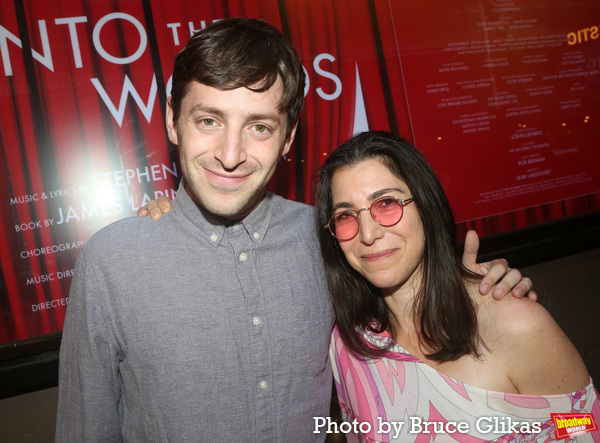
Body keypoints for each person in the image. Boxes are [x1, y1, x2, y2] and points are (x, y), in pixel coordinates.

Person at [56, 18, 533, 442]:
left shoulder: (332, 238)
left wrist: (477, 294)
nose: (230, 153)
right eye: (208, 120)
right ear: (172, 123)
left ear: (287, 138)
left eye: (259, 127)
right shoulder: (112, 262)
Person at [316, 131, 599, 442]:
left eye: (386, 203)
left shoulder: (511, 323)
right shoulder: (348, 343)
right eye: (346, 216)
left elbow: (584, 426)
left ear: (426, 206)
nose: (367, 234)